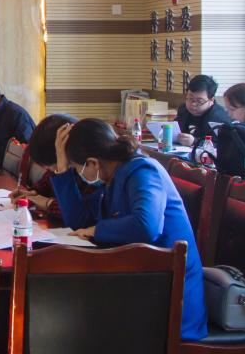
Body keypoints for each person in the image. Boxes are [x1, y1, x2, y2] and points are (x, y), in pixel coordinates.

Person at [50, 118, 207, 341]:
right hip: (140, 283)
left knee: (73, 324)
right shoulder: (113, 176)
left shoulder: (143, 170)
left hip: (170, 299)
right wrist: (62, 168)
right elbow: (78, 220)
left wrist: (96, 230)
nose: (79, 173)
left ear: (93, 162)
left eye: (76, 168)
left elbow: (147, 226)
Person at [9, 114, 93, 222]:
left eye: (53, 167)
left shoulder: (91, 171)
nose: (51, 171)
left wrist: (46, 202)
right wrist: (32, 193)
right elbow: (46, 183)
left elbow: (76, 215)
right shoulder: (58, 165)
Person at [175, 75, 232, 147]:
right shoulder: (183, 110)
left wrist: (195, 142)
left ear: (211, 100)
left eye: (199, 101)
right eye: (190, 98)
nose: (193, 104)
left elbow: (220, 144)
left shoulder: (218, 118)